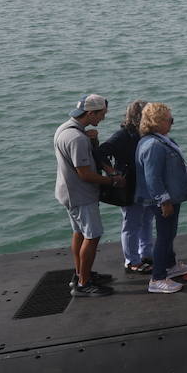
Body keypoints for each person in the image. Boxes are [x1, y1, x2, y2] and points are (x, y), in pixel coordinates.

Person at [135, 102, 187, 293]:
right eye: (169, 120)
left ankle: (169, 265)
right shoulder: (153, 145)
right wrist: (164, 201)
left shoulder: (161, 140)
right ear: (157, 122)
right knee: (164, 236)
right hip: (162, 200)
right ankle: (157, 278)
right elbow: (152, 177)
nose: (172, 123)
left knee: (169, 233)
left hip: (171, 196)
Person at [55, 94, 122, 297]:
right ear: (91, 113)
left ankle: (81, 273)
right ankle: (84, 284)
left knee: (79, 233)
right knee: (92, 236)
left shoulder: (65, 129)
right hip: (81, 195)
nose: (103, 118)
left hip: (68, 192)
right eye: (101, 114)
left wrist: (93, 141)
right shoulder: (76, 138)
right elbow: (85, 174)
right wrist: (113, 181)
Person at [99, 100, 153, 274]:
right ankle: (131, 261)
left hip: (145, 185)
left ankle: (146, 254)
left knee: (146, 221)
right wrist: (113, 173)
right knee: (131, 222)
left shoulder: (144, 133)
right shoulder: (123, 135)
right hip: (130, 185)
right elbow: (100, 152)